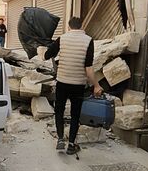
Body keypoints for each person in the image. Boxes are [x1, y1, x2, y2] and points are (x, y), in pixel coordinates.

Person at [42, 17, 103, 155]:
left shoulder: (62, 38)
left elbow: (46, 56)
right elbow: (88, 68)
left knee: (59, 111)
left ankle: (60, 139)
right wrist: (96, 85)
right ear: (82, 26)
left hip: (62, 82)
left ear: (69, 27)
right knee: (75, 115)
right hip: (78, 85)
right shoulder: (88, 40)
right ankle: (71, 145)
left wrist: (49, 48)